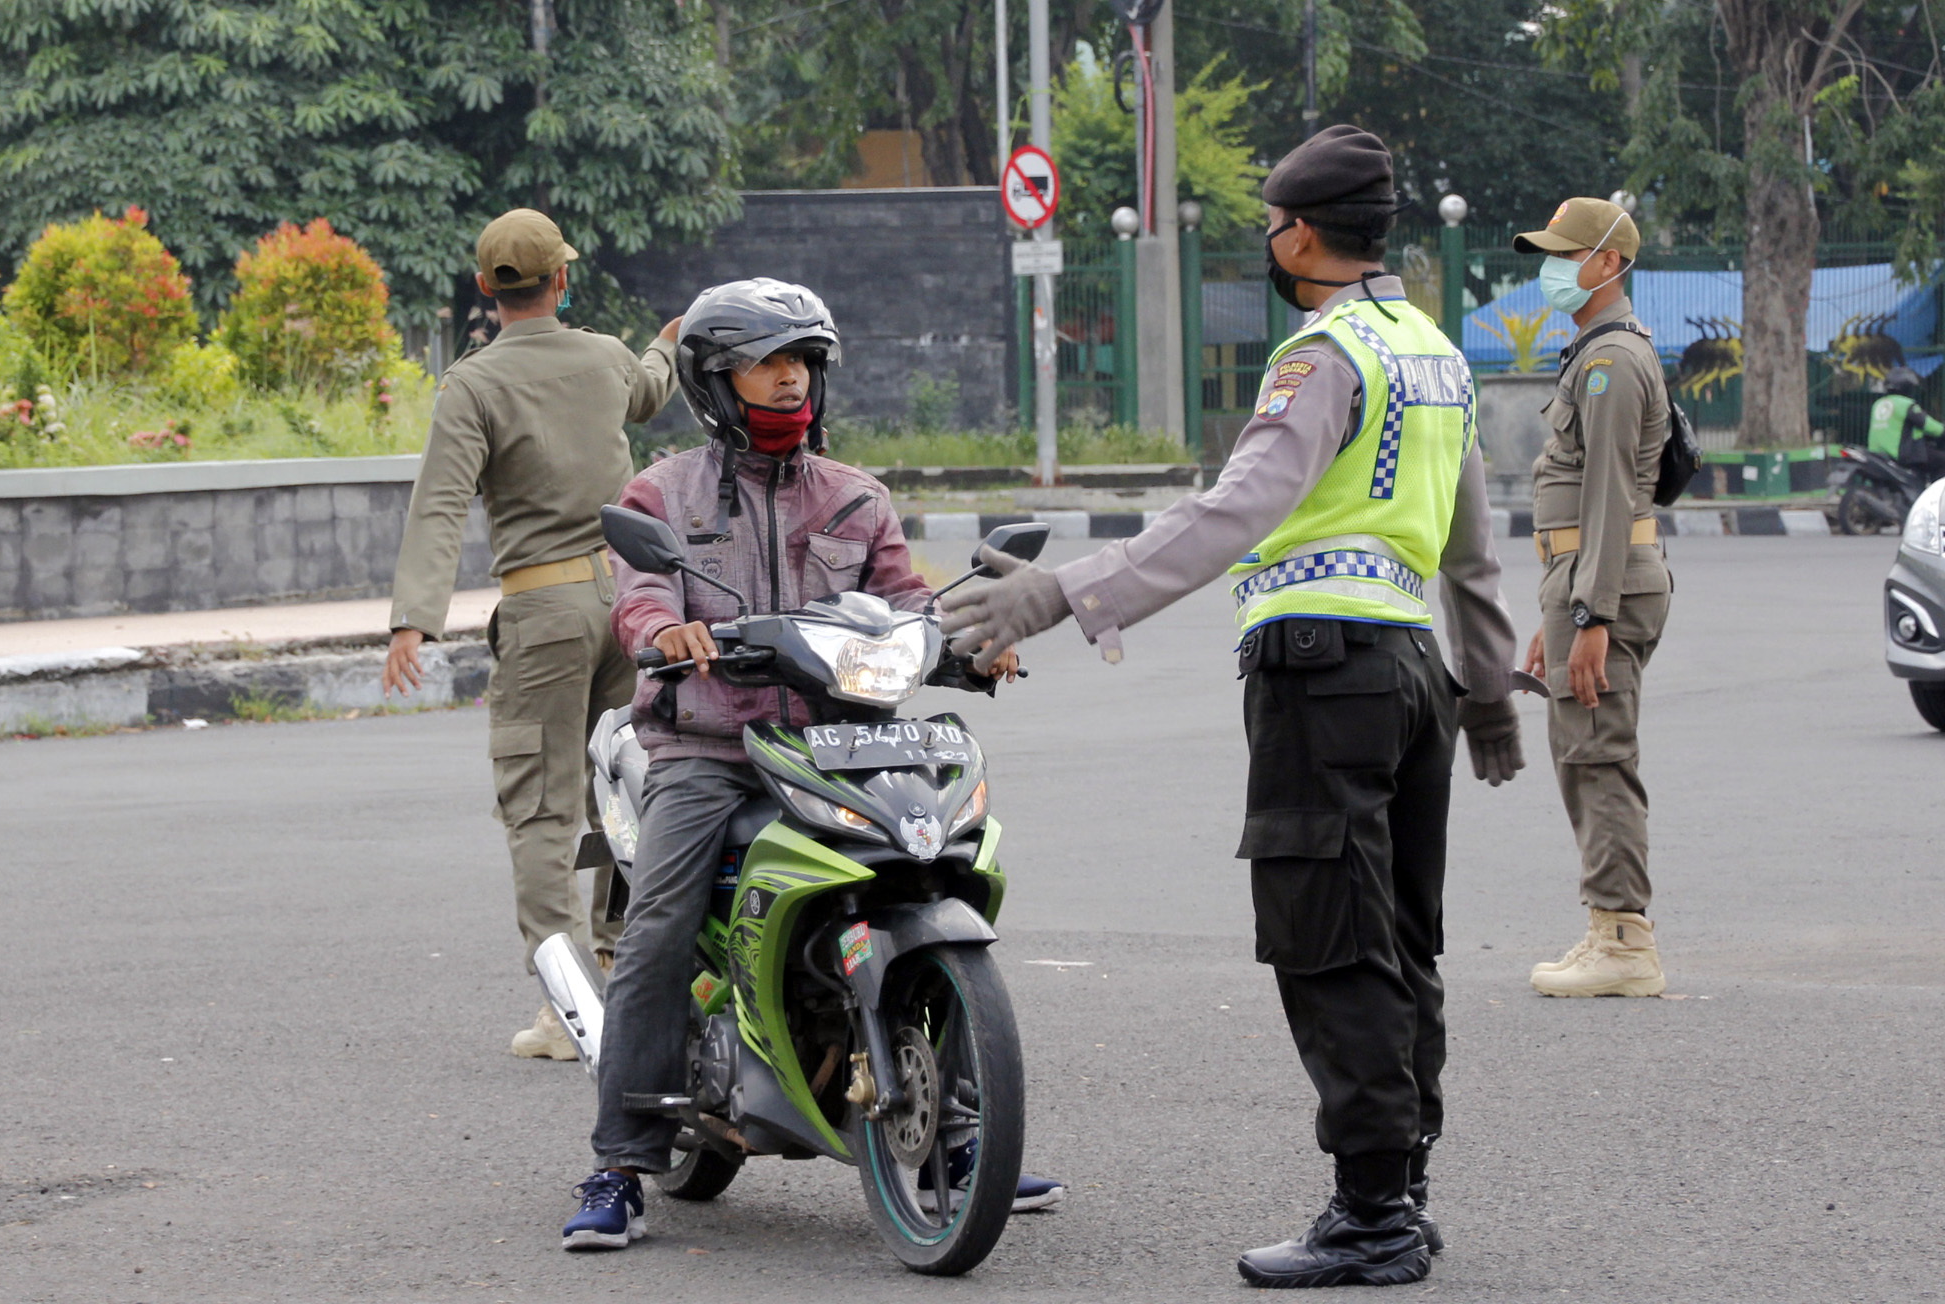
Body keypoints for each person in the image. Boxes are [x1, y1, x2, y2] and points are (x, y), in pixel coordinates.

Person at [936, 125, 1522, 1289]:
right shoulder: (1432, 353)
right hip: (1410, 669)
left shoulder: (1323, 356)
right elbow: (1469, 550)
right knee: (1400, 937)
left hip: (1325, 671)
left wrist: (1058, 592)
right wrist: (1489, 690)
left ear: (1302, 233)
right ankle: (1401, 1188)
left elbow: (1231, 512)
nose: (1267, 242)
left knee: (1329, 936)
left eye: (1268, 225)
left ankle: (1369, 1216)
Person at [561, 278, 1059, 1252]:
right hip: (709, 747)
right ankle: (618, 1159)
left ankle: (963, 1132)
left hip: (841, 742)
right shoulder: (660, 493)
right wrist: (666, 630)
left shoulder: (856, 499)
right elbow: (641, 595)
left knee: (930, 869)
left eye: (802, 362)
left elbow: (909, 605)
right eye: (765, 362)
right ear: (714, 382)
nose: (788, 379)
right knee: (659, 920)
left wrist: (971, 646)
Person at [382, 208, 681, 1058]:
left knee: (546, 810)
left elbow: (440, 502)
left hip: (544, 616)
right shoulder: (603, 357)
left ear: (486, 289)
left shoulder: (471, 385)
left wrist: (414, 620)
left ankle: (565, 1011)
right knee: (633, 792)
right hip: (633, 601)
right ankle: (627, 976)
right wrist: (666, 344)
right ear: (562, 280)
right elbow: (652, 388)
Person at [1512, 197, 1673, 999]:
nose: (1554, 268)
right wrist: (1561, 609)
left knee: (1600, 755)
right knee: (1583, 754)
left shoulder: (1611, 363)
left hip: (1604, 581)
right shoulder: (1595, 352)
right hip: (1582, 578)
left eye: (1567, 254)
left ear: (1609, 263)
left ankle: (1623, 938)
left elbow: (1608, 495)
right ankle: (1607, 926)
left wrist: (1591, 616)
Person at [1868, 366, 1945, 481]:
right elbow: (1932, 427)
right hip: (1901, 455)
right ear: (1907, 386)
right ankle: (1934, 496)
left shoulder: (1878, 404)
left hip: (1877, 454)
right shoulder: (1906, 404)